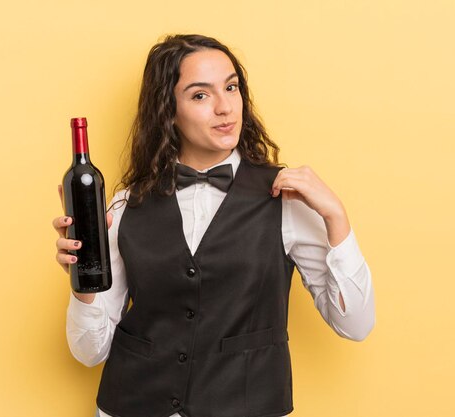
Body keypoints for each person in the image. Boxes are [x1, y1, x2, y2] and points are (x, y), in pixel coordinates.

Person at [53, 34, 375, 417]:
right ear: (168, 111)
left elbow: (355, 324)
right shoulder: (125, 205)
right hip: (131, 405)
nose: (225, 107)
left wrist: (336, 218)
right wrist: (83, 282)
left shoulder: (286, 197)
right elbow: (90, 352)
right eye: (200, 95)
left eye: (231, 87)